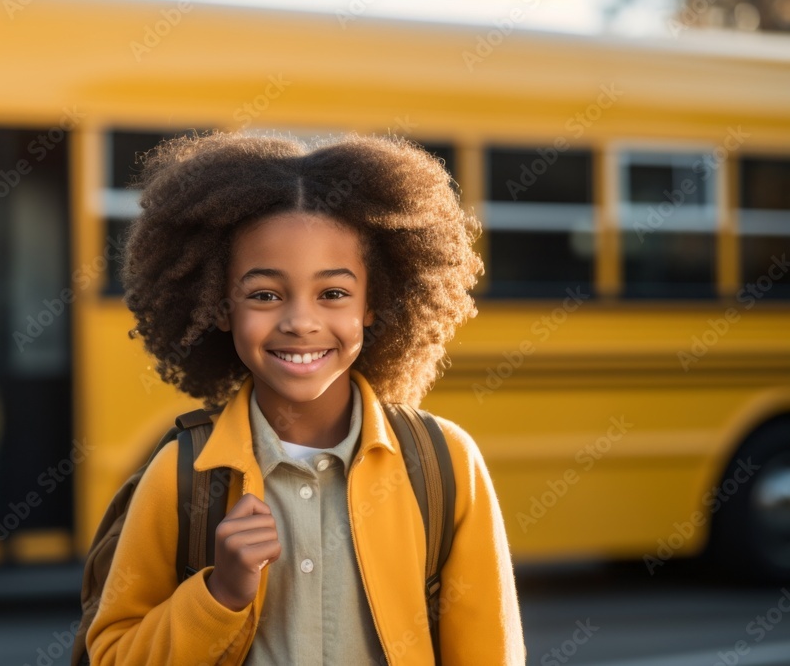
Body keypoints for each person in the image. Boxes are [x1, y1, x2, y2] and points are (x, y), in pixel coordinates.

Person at [86, 132, 526, 665]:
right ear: (221, 307)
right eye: (265, 295)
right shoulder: (180, 475)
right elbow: (112, 656)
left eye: (333, 294)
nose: (300, 322)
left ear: (373, 303)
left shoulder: (444, 466)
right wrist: (219, 594)